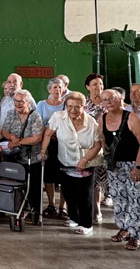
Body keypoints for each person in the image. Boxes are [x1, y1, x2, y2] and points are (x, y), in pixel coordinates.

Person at [95, 89, 140, 250]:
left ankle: (136, 234)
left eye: (112, 98)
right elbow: (104, 140)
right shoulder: (102, 118)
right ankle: (125, 228)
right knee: (120, 198)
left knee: (138, 199)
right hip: (115, 166)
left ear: (120, 99)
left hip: (134, 163)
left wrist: (138, 167)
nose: (108, 102)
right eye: (104, 100)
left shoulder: (131, 118)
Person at [40, 92, 102, 235]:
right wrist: (43, 150)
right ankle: (74, 218)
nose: (73, 110)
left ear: (84, 107)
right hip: (65, 160)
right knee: (68, 192)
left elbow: (97, 145)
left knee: (85, 194)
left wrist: (85, 159)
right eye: (69, 106)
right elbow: (48, 133)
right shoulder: (58, 117)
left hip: (86, 162)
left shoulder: (91, 123)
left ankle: (86, 224)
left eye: (77, 107)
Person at [0, 88, 45, 218]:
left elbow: (37, 137)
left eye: (22, 101)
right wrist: (12, 137)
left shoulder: (34, 115)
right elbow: (4, 131)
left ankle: (34, 211)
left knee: (33, 186)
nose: (18, 104)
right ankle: (16, 207)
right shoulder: (11, 113)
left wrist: (18, 142)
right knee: (14, 183)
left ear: (28, 102)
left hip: (32, 157)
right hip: (15, 156)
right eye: (16, 101)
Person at [36, 78, 67, 217]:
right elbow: (38, 122)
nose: (57, 90)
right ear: (49, 90)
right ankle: (51, 205)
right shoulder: (42, 104)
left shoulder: (67, 105)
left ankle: (63, 207)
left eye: (60, 87)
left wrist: (57, 133)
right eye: (54, 87)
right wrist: (50, 133)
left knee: (64, 175)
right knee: (48, 175)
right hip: (47, 142)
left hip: (64, 143)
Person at [83, 73, 108, 223]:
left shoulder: (109, 102)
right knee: (90, 178)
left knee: (100, 177)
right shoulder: (84, 102)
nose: (98, 87)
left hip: (104, 145)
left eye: (100, 84)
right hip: (88, 144)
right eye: (94, 84)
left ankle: (103, 204)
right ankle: (94, 208)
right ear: (87, 87)